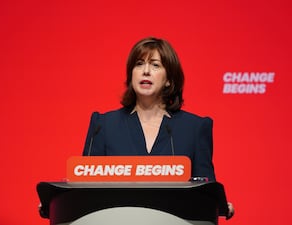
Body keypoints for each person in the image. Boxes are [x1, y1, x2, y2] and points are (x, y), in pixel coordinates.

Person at [82, 37, 234, 219]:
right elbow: (84, 186)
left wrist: (215, 204)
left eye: (155, 65)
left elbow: (205, 187)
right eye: (139, 64)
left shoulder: (194, 128)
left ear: (169, 79)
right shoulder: (104, 125)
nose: (145, 71)